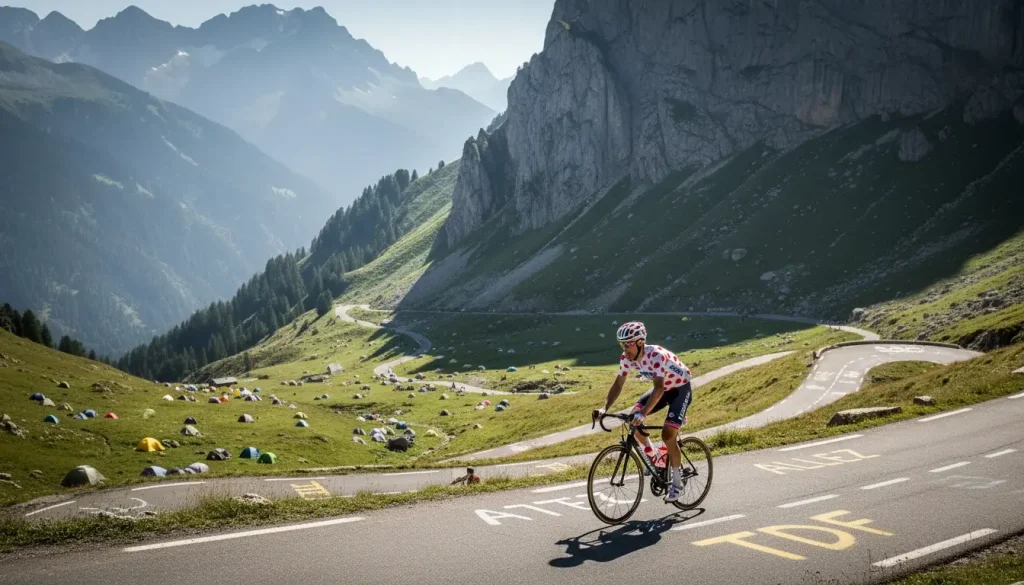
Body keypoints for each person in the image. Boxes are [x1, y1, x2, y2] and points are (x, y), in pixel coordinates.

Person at [592, 321, 693, 503]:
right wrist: (604, 408)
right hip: (662, 390)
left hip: (679, 389)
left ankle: (677, 485)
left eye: (628, 344)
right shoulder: (626, 358)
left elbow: (659, 388)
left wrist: (644, 413)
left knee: (668, 435)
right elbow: (618, 384)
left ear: (640, 342)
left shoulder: (656, 355)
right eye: (622, 344)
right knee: (633, 418)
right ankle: (654, 458)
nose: (624, 349)